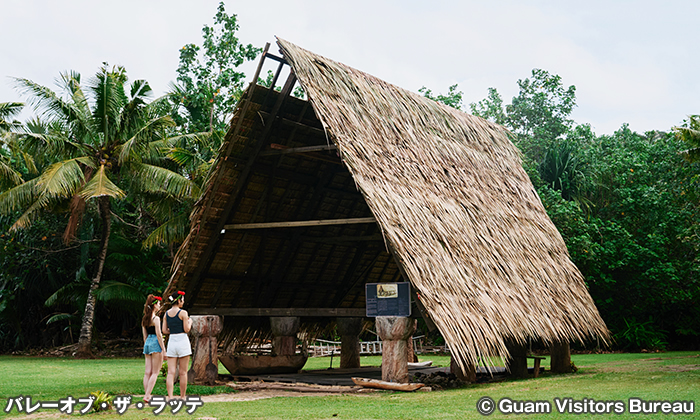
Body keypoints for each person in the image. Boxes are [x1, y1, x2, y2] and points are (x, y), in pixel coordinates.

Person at [162, 290, 192, 400]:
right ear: (179, 300)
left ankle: (170, 396)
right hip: (182, 341)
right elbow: (186, 329)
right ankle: (182, 396)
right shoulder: (183, 313)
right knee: (183, 372)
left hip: (172, 342)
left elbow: (164, 330)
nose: (183, 302)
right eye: (182, 300)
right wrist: (190, 322)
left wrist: (173, 330)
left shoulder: (166, 314)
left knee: (171, 372)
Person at [141, 295, 166, 404]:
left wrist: (146, 344)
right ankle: (147, 395)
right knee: (155, 372)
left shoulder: (145, 318)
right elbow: (159, 335)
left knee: (147, 372)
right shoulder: (156, 319)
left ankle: (147, 394)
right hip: (155, 343)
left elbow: (144, 335)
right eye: (159, 304)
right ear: (154, 305)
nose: (160, 306)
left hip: (147, 343)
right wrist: (163, 349)